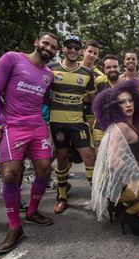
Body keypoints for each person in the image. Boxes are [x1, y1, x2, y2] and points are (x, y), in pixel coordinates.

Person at [0, 32, 58, 253]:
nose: (48, 48)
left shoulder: (49, 74)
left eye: (53, 47)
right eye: (45, 43)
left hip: (37, 126)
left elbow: (42, 103)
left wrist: (46, 129)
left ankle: (31, 212)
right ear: (36, 42)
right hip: (12, 126)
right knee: (10, 174)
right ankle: (14, 226)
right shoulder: (12, 58)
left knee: (45, 170)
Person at [89, 79, 139, 235]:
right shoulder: (121, 127)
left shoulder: (131, 124)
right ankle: (129, 214)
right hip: (119, 184)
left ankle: (121, 208)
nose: (128, 104)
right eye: (122, 102)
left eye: (130, 100)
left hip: (124, 180)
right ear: (114, 107)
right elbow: (114, 161)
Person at [48, 35, 96, 214]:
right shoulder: (51, 69)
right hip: (57, 123)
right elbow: (44, 95)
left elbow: (92, 97)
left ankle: (96, 195)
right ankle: (62, 197)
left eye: (77, 48)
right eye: (70, 47)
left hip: (78, 122)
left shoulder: (87, 73)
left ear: (81, 51)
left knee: (89, 158)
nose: (73, 50)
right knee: (61, 159)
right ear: (63, 48)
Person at [92, 54, 124, 155]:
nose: (112, 69)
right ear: (104, 70)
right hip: (99, 128)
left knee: (116, 161)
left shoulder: (127, 84)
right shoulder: (99, 81)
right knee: (100, 160)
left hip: (119, 129)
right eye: (108, 67)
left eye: (115, 66)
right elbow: (94, 99)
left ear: (120, 67)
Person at [80, 39, 104, 128]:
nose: (92, 55)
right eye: (89, 51)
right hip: (70, 113)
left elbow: (98, 98)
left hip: (90, 116)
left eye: (95, 53)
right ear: (83, 51)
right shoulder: (74, 68)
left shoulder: (100, 76)